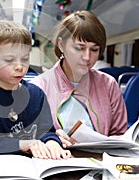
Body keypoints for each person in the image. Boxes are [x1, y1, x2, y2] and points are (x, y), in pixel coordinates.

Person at [0, 20, 71, 160]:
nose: (19, 66)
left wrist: (52, 142)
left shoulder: (36, 94)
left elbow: (46, 131)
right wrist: (20, 144)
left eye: (24, 59)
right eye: (9, 60)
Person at [30, 10, 128, 146]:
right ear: (61, 45)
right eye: (79, 48)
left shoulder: (108, 84)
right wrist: (51, 140)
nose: (87, 57)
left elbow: (119, 134)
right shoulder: (39, 86)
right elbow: (29, 136)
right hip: (57, 161)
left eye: (94, 50)